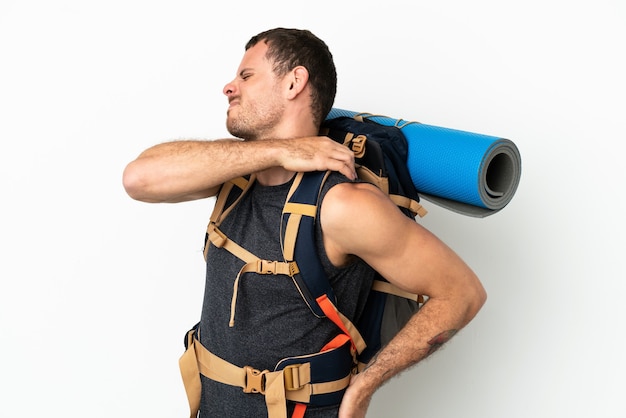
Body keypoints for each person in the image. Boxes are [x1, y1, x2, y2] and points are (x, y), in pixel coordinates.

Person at [123, 28, 487, 418]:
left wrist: (365, 386)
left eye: (247, 76)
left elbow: (462, 293)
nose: (229, 87)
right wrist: (282, 150)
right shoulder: (237, 175)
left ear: (295, 82)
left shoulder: (342, 204)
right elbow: (138, 179)